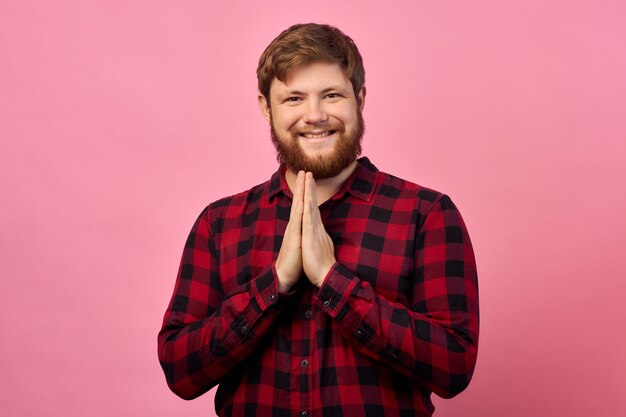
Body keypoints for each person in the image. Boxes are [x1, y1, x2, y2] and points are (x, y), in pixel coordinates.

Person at [157, 23, 479, 417]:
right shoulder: (219, 223)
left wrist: (333, 280)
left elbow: (454, 366)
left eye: (331, 95)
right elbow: (180, 370)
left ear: (359, 98)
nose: (314, 115)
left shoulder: (426, 215)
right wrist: (275, 284)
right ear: (266, 107)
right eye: (293, 98)